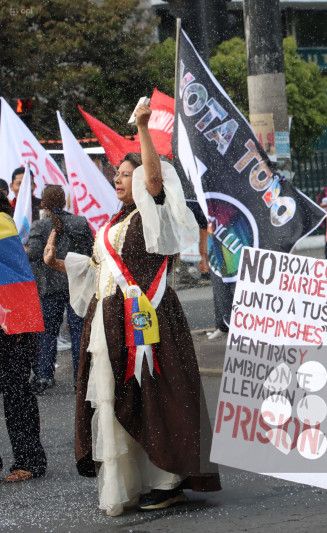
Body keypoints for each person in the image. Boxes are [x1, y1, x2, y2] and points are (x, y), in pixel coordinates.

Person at [44, 103, 221, 516]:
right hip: (109, 324)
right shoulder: (111, 224)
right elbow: (99, 272)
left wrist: (142, 128)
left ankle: (168, 479)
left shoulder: (153, 214)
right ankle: (137, 479)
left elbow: (155, 179)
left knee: (157, 395)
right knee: (118, 397)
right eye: (118, 175)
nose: (118, 180)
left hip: (151, 320)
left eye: (126, 174)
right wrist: (58, 264)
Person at [25, 185, 93, 393]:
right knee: (79, 333)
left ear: (43, 204)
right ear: (65, 201)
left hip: (48, 287)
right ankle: (79, 378)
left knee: (47, 333)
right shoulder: (80, 222)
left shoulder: (39, 226)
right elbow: (90, 251)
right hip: (76, 283)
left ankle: (44, 376)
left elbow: (33, 255)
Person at [0, 191, 47, 483]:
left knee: (16, 394)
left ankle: (29, 460)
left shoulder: (3, 222)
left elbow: (14, 278)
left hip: (11, 326)